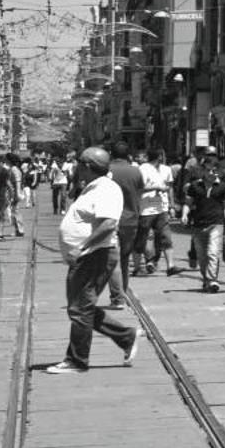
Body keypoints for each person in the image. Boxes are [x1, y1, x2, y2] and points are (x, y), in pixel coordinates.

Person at [48, 148, 139, 374]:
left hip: (95, 255)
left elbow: (108, 224)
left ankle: (77, 361)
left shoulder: (107, 189)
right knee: (80, 308)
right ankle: (126, 336)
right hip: (89, 256)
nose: (76, 166)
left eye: (79, 163)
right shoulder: (94, 187)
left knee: (80, 309)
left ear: (88, 166)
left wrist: (81, 247)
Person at [183, 152, 225, 294]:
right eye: (209, 170)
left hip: (216, 223)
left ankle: (212, 280)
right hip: (199, 224)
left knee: (213, 253)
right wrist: (184, 214)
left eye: (214, 170)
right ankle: (206, 280)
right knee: (202, 256)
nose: (212, 173)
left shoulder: (222, 187)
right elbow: (188, 203)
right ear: (203, 171)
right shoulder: (195, 186)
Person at [106, 141, 144, 306]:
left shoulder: (106, 170)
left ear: (111, 154)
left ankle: (117, 297)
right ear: (128, 154)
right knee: (124, 258)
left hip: (110, 219)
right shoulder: (136, 171)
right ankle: (124, 290)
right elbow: (140, 193)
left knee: (110, 259)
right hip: (130, 220)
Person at [137, 148, 176, 275]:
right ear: (159, 156)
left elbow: (170, 188)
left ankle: (171, 266)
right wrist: (156, 187)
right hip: (146, 208)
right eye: (162, 155)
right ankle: (149, 260)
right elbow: (139, 187)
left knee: (165, 237)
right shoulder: (143, 169)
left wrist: (171, 205)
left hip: (162, 208)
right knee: (147, 236)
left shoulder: (166, 169)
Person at [5, 152, 25, 237]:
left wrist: (17, 194)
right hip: (12, 193)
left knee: (15, 212)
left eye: (5, 159)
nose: (4, 160)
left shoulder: (14, 169)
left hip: (14, 193)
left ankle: (20, 230)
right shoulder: (13, 168)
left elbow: (18, 182)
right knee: (14, 212)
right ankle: (18, 230)